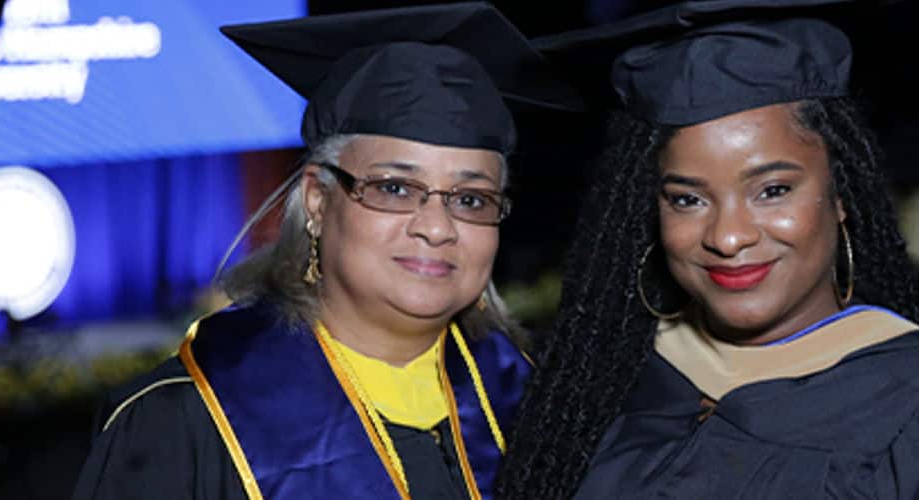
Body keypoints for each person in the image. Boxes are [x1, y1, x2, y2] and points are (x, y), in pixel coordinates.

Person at [493, 2, 919, 498]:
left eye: (773, 190)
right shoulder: (604, 383)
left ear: (840, 195)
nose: (728, 237)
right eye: (687, 199)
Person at [71, 4, 582, 499]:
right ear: (316, 200)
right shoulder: (185, 421)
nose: (436, 227)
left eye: (471, 200)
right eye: (395, 188)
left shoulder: (536, 406)